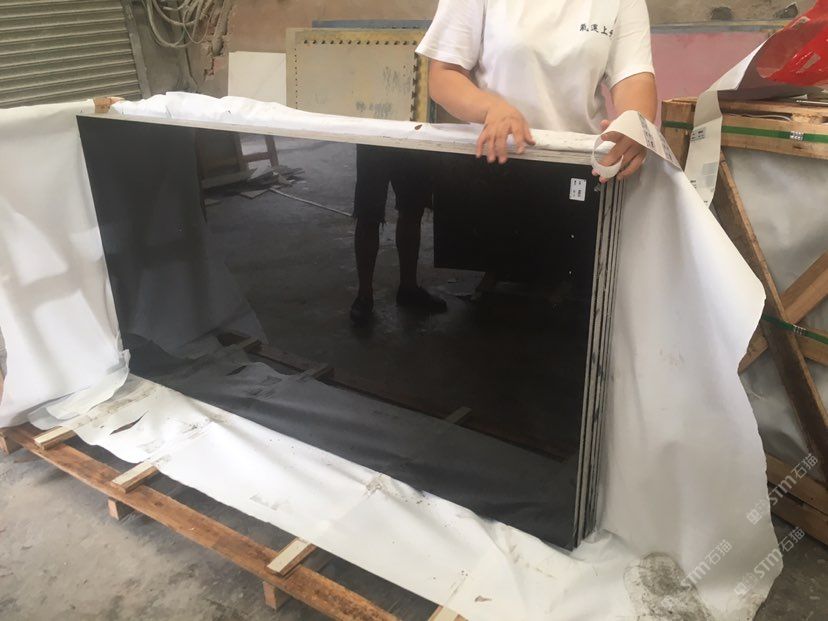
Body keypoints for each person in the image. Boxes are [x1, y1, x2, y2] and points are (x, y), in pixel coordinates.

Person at [416, 0, 658, 177]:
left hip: (582, 167)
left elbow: (633, 77)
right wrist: (491, 108)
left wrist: (634, 124)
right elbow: (444, 74)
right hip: (492, 158)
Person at [350, 145, 447, 325]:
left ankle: (408, 288)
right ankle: (364, 295)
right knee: (368, 214)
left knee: (413, 208)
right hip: (374, 139)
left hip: (415, 140)